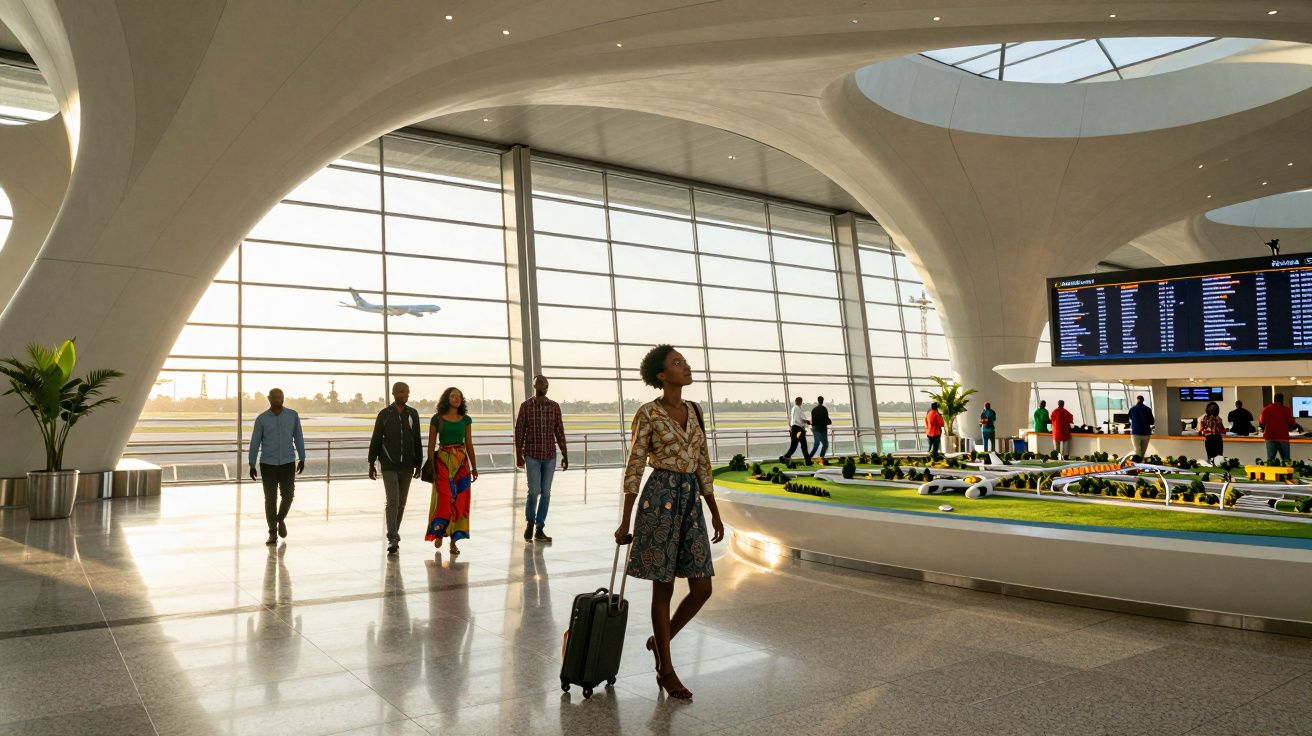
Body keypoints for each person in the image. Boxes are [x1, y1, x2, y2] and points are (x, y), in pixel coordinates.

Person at [615, 345, 724, 701]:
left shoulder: (694, 410)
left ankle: (659, 641)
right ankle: (666, 668)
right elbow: (634, 464)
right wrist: (625, 518)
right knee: (662, 586)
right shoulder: (647, 414)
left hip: (690, 499)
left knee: (702, 587)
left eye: (685, 361)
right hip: (658, 499)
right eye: (677, 363)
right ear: (662, 376)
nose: (686, 366)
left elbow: (703, 461)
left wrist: (714, 508)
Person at [369, 382, 422, 555]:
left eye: (407, 392)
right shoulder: (384, 415)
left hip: (407, 465)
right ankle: (393, 537)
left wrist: (418, 463)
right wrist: (371, 463)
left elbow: (417, 440)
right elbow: (376, 439)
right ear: (393, 393)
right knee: (393, 500)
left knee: (401, 502)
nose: (405, 395)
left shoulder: (412, 414)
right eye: (401, 392)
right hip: (389, 464)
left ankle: (394, 533)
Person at [515, 374, 568, 543]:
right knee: (534, 491)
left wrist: (565, 453)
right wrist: (518, 455)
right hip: (532, 455)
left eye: (546, 384)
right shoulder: (526, 406)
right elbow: (519, 431)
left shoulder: (554, 407)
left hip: (549, 456)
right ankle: (530, 521)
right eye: (540, 383)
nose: (544, 386)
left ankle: (539, 528)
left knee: (546, 492)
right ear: (534, 386)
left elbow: (559, 431)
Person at [248, 388, 305, 546]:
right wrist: (252, 463)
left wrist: (302, 457)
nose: (278, 400)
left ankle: (280, 519)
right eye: (275, 398)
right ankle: (272, 533)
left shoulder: (292, 415)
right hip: (268, 464)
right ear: (269, 398)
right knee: (270, 500)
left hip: (288, 462)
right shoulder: (262, 419)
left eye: (281, 398)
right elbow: (255, 442)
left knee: (288, 495)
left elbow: (298, 437)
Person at [426, 387, 478, 555]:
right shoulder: (437, 419)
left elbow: (469, 444)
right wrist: (431, 465)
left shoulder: (466, 420)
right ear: (446, 399)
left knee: (460, 502)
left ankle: (453, 542)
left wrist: (474, 467)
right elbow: (431, 445)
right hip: (442, 462)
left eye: (459, 396)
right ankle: (439, 531)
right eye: (453, 396)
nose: (456, 399)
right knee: (444, 499)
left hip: (462, 463)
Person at [1260, 393, 1298, 462]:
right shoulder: (1286, 410)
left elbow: (1261, 423)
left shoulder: (1265, 409)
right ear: (1282, 400)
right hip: (1283, 437)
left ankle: (1271, 472)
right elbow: (1292, 423)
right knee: (1286, 461)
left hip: (1269, 437)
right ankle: (1286, 472)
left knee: (1270, 460)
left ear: (1274, 399)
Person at [781, 396, 811, 464]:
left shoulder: (793, 408)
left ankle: (784, 457)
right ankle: (808, 461)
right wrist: (808, 422)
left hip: (794, 429)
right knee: (804, 445)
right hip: (799, 430)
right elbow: (803, 419)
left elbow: (796, 419)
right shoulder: (798, 409)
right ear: (800, 402)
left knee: (794, 446)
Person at [810, 396, 832, 460]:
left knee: (816, 444)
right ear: (822, 400)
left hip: (815, 428)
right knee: (825, 444)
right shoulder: (824, 409)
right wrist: (829, 422)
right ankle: (821, 457)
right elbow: (826, 419)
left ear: (818, 400)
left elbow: (813, 420)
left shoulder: (814, 409)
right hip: (822, 429)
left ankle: (809, 457)